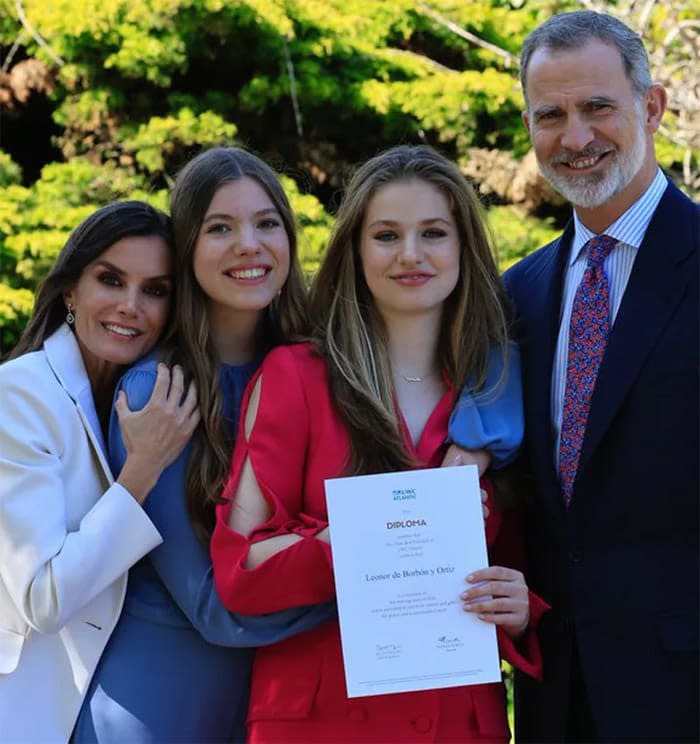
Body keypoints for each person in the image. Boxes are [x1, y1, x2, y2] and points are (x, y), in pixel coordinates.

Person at [211, 144, 548, 743]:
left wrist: (519, 608)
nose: (411, 255)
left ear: (465, 249)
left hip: (457, 720)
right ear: (357, 251)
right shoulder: (296, 376)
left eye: (434, 233)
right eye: (387, 235)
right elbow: (239, 570)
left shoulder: (501, 390)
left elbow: (525, 569)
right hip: (319, 721)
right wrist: (363, 539)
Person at [74, 148, 336, 744]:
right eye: (220, 228)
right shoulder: (158, 394)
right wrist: (383, 581)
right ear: (187, 247)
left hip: (270, 699)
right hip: (159, 706)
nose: (250, 243)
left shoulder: (317, 368)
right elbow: (219, 610)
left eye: (267, 223)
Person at [507, 10, 699, 742]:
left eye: (597, 108)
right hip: (557, 696)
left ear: (651, 107)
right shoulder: (516, 295)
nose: (575, 138)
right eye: (550, 114)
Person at [0, 201, 200, 743]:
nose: (130, 306)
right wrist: (142, 470)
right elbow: (44, 597)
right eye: (110, 280)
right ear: (70, 290)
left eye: (155, 290)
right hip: (23, 711)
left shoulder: (136, 393)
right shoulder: (20, 394)